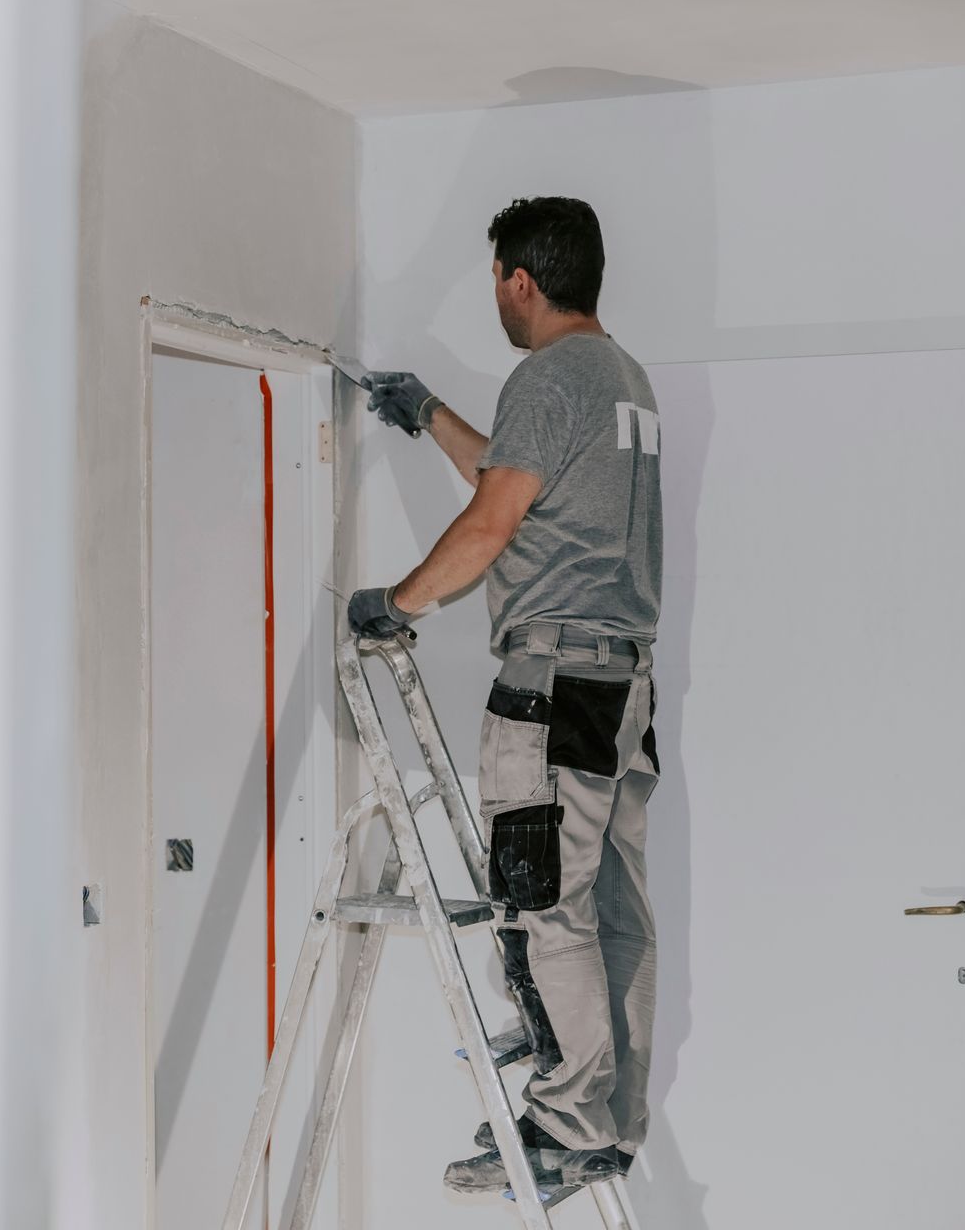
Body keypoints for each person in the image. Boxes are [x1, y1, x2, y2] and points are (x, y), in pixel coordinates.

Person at [346, 196, 663, 1193]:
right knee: (611, 908)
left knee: (545, 908)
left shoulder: (548, 375)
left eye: (496, 280)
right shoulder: (621, 376)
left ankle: (564, 1121)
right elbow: (527, 491)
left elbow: (494, 522)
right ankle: (608, 1123)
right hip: (619, 686)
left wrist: (396, 603)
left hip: (554, 685)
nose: (497, 296)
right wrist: (430, 414)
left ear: (521, 280)